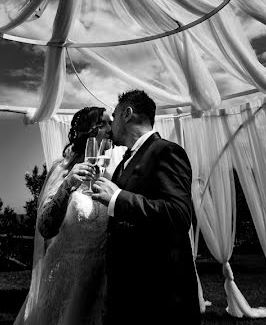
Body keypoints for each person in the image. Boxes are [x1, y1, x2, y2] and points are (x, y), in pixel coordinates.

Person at [91, 90, 199, 325]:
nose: (111, 125)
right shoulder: (123, 163)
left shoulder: (166, 152)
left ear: (127, 114)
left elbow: (179, 214)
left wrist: (118, 198)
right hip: (127, 296)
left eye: (115, 115)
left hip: (160, 298)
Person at [14, 106, 114, 325]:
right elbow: (45, 226)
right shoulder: (64, 168)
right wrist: (68, 184)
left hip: (101, 277)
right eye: (105, 122)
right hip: (64, 273)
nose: (111, 127)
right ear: (91, 130)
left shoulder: (112, 170)